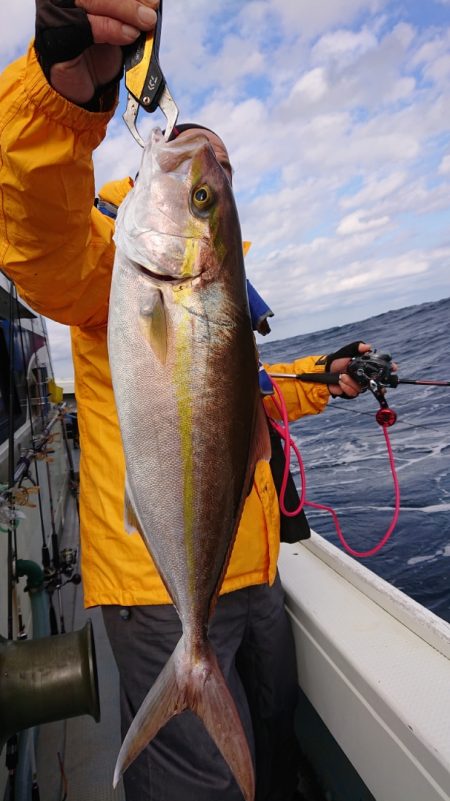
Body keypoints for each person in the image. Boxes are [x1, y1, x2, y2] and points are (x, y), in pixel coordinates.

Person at [0, 2, 370, 799]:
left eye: (216, 183)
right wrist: (61, 92)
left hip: (248, 561)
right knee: (199, 785)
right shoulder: (105, 249)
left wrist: (324, 375)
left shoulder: (216, 287)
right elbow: (32, 234)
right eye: (202, 186)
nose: (203, 172)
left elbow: (237, 395)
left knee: (269, 751)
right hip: (155, 583)